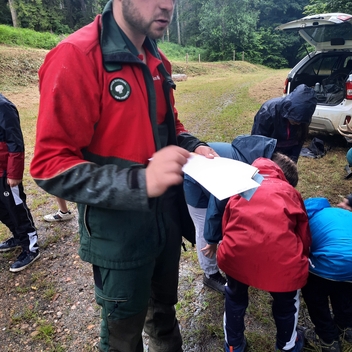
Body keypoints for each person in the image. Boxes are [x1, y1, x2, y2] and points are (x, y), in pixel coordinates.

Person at [30, 1, 216, 351]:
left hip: (165, 227)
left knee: (163, 316)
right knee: (122, 338)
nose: (167, 5)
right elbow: (50, 165)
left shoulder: (157, 59)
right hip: (118, 238)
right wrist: (139, 183)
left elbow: (169, 126)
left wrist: (195, 145)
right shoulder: (76, 56)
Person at [205, 153, 311, 352]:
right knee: (287, 303)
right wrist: (303, 258)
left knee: (234, 298)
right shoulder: (290, 192)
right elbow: (303, 232)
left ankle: (233, 345)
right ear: (284, 177)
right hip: (281, 261)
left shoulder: (242, 186)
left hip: (236, 255)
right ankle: (288, 345)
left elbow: (226, 224)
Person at [183, 134, 277, 294]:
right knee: (204, 226)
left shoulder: (259, 161)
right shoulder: (239, 170)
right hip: (194, 181)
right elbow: (216, 204)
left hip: (214, 176)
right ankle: (210, 274)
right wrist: (212, 239)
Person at [302, 197, 352, 352]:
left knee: (316, 301)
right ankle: (346, 327)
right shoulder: (342, 214)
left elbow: (303, 250)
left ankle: (328, 340)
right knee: (344, 294)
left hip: (325, 267)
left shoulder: (308, 221)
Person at [0, 93, 39, 272]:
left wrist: (14, 173)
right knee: (3, 210)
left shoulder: (4, 107)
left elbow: (15, 141)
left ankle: (31, 246)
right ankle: (18, 236)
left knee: (16, 208)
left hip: (6, 171)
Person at [251, 84, 317, 163]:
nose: (298, 123)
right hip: (269, 152)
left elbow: (299, 141)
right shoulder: (268, 111)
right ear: (288, 110)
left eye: (301, 121)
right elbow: (257, 142)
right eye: (295, 119)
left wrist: (292, 162)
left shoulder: (304, 118)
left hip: (287, 151)